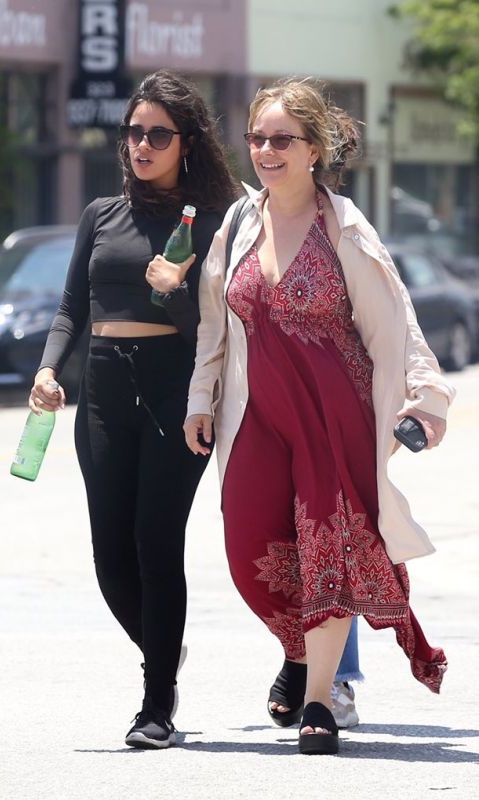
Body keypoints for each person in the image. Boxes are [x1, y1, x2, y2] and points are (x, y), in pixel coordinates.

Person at [184, 77, 454, 755]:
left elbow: (397, 324)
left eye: (282, 139)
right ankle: (300, 652)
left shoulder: (347, 229)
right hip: (257, 419)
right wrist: (199, 399)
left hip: (335, 417)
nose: (266, 150)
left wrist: (425, 401)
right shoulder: (239, 224)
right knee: (250, 554)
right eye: (257, 138)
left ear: (313, 149)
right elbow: (213, 325)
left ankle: (318, 703)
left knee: (325, 555)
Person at [28, 70, 237, 749]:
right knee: (110, 555)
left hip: (176, 394)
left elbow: (213, 330)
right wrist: (48, 370)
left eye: (156, 134)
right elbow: (71, 307)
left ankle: (156, 705)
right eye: (132, 132)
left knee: (155, 545)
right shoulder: (100, 215)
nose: (140, 145)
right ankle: (161, 648)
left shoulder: (210, 224)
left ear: (186, 141)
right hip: (103, 389)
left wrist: (173, 292)